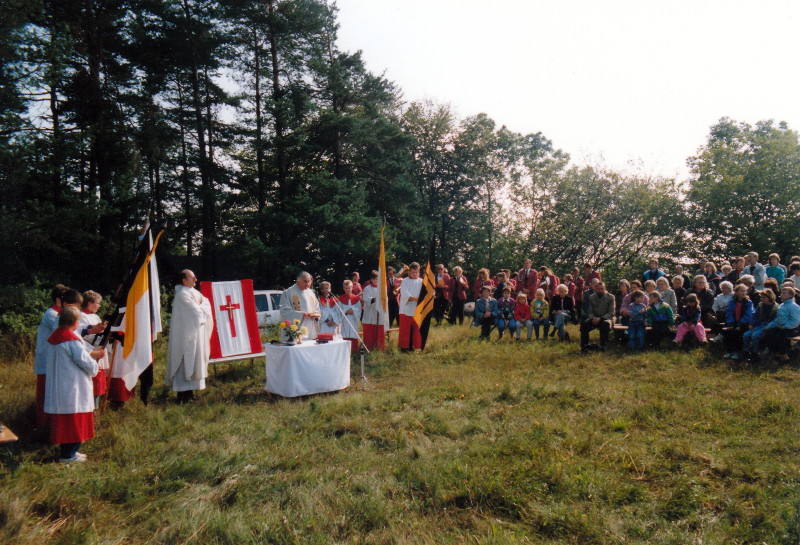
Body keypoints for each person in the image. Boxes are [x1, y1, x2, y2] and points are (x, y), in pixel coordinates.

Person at [44, 306, 104, 463]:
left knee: (67, 421)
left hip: (60, 384)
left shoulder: (55, 337)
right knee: (75, 421)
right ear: (75, 322)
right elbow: (84, 360)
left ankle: (70, 451)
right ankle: (68, 455)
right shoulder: (71, 339)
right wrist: (95, 368)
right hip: (73, 385)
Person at [165, 270, 214, 403]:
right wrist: (200, 306)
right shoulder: (182, 295)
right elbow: (196, 313)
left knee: (194, 362)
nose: (196, 279)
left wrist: (200, 305)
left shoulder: (194, 292)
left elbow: (206, 303)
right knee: (184, 363)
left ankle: (190, 392)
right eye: (192, 278)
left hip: (195, 335)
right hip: (184, 338)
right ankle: (182, 395)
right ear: (184, 281)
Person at [34, 284, 69, 430]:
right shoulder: (51, 314)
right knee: (44, 393)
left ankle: (51, 424)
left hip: (54, 359)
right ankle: (43, 425)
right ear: (57, 299)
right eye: (65, 299)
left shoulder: (60, 313)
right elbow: (62, 329)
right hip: (46, 360)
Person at [79, 291, 109, 408]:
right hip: (90, 352)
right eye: (97, 303)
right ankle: (90, 408)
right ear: (90, 303)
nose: (99, 306)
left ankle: (95, 408)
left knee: (99, 381)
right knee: (92, 381)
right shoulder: (81, 316)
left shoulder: (95, 316)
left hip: (99, 350)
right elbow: (84, 334)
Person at [279, 271, 321, 340]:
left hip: (311, 327)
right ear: (298, 281)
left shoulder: (311, 293)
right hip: (297, 327)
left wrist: (316, 314)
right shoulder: (288, 292)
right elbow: (284, 311)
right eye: (305, 281)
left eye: (309, 281)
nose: (307, 284)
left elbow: (317, 308)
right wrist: (301, 315)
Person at [761, 287, 800, 358]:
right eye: (781, 293)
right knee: (768, 334)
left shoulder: (794, 306)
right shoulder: (781, 306)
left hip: (792, 329)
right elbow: (777, 320)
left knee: (779, 337)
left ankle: (783, 355)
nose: (781, 295)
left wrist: (785, 327)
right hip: (780, 327)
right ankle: (773, 353)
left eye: (784, 293)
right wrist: (769, 326)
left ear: (791, 295)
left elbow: (796, 321)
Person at [721, 284, 755, 359]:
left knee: (738, 334)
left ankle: (737, 352)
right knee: (728, 333)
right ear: (736, 292)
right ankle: (729, 351)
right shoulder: (732, 302)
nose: (743, 292)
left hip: (743, 323)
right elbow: (729, 312)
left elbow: (748, 314)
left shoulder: (749, 302)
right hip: (733, 322)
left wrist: (740, 324)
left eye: (745, 291)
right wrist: (731, 323)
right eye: (741, 291)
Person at [744, 289, 779, 361]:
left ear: (770, 297)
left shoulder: (776, 308)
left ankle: (755, 353)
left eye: (764, 297)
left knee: (755, 336)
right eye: (761, 297)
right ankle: (746, 352)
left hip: (767, 327)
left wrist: (766, 327)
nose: (761, 299)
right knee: (746, 335)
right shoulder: (760, 305)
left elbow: (775, 320)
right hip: (758, 326)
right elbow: (755, 316)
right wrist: (752, 324)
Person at [580, 281, 614, 352]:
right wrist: (593, 318)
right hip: (594, 318)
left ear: (605, 288)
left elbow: (611, 312)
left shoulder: (611, 297)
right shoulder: (591, 297)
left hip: (606, 318)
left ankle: (603, 345)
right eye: (598, 288)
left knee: (605, 324)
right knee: (584, 324)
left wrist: (601, 318)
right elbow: (590, 311)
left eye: (602, 288)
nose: (600, 290)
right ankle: (584, 346)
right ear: (595, 289)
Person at [398, 262, 423, 351]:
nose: (415, 274)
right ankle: (404, 347)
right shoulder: (405, 281)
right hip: (406, 309)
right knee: (405, 329)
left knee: (415, 329)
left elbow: (424, 293)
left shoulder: (421, 281)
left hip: (417, 309)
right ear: (409, 272)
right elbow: (404, 293)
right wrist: (415, 299)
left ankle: (414, 346)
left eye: (416, 272)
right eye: (413, 272)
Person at [339, 279, 363, 353]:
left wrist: (353, 311)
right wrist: (346, 311)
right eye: (346, 288)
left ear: (352, 288)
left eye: (349, 288)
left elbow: (359, 309)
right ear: (343, 288)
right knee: (344, 335)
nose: (348, 289)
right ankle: (345, 352)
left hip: (353, 319)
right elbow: (338, 310)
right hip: (345, 321)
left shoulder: (356, 298)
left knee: (353, 334)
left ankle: (354, 352)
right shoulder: (340, 299)